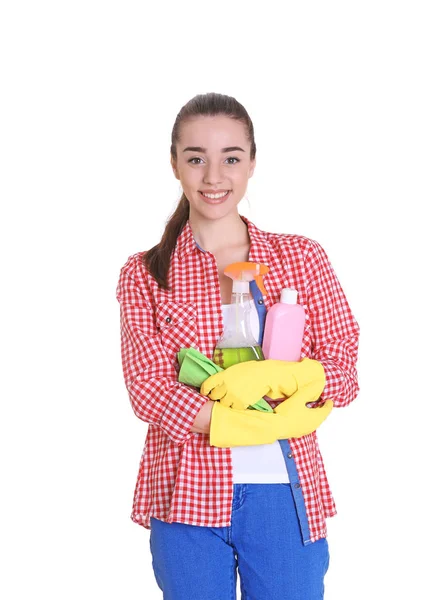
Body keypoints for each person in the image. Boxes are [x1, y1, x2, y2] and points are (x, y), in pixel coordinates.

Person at [116, 92, 360, 600]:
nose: (213, 177)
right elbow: (147, 389)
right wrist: (243, 422)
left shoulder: (302, 258)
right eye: (196, 158)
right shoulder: (145, 274)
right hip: (185, 496)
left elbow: (344, 366)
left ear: (252, 163)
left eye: (231, 158)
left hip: (284, 499)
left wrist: (296, 378)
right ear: (174, 164)